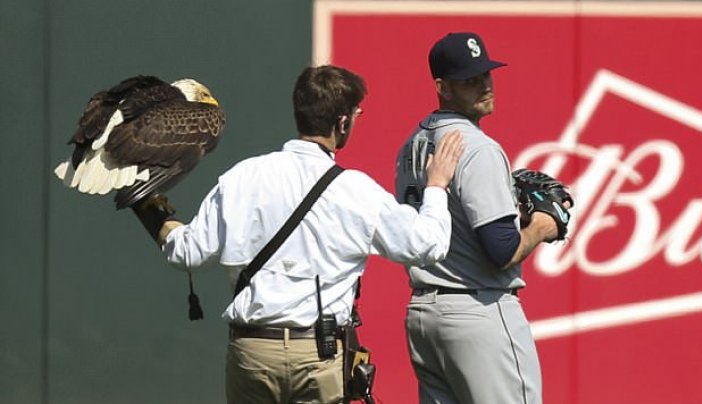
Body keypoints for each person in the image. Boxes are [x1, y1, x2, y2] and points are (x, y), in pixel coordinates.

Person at [137, 64, 464, 404]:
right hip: (318, 356)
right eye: (356, 113)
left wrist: (144, 202)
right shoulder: (355, 190)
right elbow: (429, 244)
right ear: (342, 122)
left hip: (252, 353)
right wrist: (437, 186)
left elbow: (185, 252)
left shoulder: (242, 177)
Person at [395, 32, 567, 404]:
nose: (483, 85)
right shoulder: (478, 148)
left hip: (425, 315)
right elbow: (502, 250)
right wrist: (541, 224)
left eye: (485, 74)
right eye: (468, 80)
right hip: (478, 311)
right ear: (442, 87)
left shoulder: (413, 142)